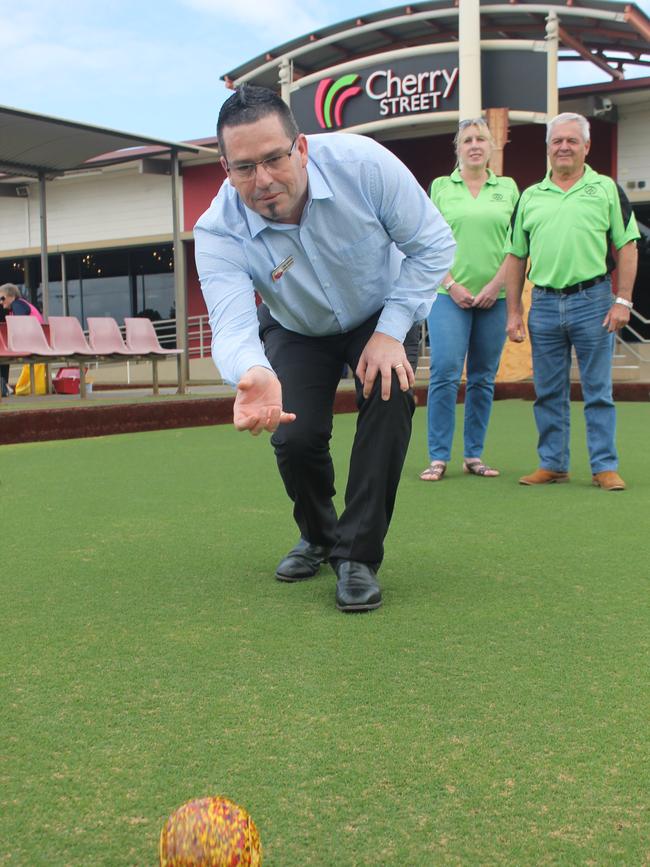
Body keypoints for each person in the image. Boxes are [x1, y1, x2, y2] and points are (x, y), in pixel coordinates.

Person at [195, 85, 455, 612]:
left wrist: (392, 330)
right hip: (295, 324)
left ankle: (357, 556)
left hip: (381, 312)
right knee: (294, 436)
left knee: (389, 396)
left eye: (274, 158)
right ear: (225, 168)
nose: (263, 180)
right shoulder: (217, 230)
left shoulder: (364, 164)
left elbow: (433, 245)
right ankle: (317, 535)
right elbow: (231, 323)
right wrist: (252, 370)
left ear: (302, 147)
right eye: (244, 168)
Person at [505, 112, 639, 490]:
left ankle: (604, 467)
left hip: (594, 301)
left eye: (571, 140)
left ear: (586, 147)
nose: (564, 147)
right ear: (548, 148)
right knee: (547, 391)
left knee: (598, 390)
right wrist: (514, 311)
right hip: (544, 304)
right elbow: (515, 255)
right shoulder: (530, 196)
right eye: (557, 141)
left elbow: (627, 246)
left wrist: (623, 301)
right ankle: (553, 463)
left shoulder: (606, 189)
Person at [420, 119, 519, 482]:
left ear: (491, 147)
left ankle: (474, 455)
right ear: (457, 148)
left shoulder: (507, 188)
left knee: (482, 378)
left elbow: (516, 245)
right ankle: (438, 456)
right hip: (449, 296)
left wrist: (496, 285)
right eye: (467, 140)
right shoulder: (441, 187)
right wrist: (451, 283)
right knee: (444, 373)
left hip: (496, 296)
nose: (474, 145)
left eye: (481, 139)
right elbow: (428, 241)